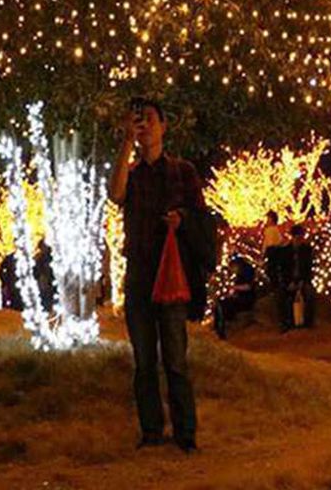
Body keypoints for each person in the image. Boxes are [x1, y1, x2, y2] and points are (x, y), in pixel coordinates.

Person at [108, 97, 206, 454]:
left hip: (171, 275)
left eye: (149, 119)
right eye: (138, 120)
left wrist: (181, 219)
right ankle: (151, 431)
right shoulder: (131, 173)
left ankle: (186, 433)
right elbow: (115, 194)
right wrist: (125, 144)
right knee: (144, 360)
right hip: (138, 274)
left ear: (164, 126)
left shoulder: (183, 171)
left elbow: (201, 215)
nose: (144, 125)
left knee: (176, 359)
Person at [276, 223, 315, 332]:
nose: (299, 240)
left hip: (303, 280)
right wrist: (288, 283)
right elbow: (282, 270)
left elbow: (308, 269)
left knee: (309, 293)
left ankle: (308, 323)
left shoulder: (307, 250)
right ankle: (285, 323)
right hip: (289, 281)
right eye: (297, 237)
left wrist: (302, 281)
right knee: (281, 295)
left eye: (301, 237)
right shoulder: (285, 252)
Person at [213, 254, 257, 340]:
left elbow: (248, 287)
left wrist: (234, 288)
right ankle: (218, 328)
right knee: (220, 304)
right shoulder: (240, 275)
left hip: (245, 299)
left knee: (223, 305)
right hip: (239, 297)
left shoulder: (247, 273)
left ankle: (221, 329)